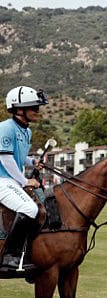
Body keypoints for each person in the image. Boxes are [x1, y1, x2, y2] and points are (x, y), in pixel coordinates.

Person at [0, 86, 47, 271]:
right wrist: (24, 181)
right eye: (33, 107)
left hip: (11, 180)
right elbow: (5, 157)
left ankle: (32, 253)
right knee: (29, 208)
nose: (37, 111)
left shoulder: (26, 131)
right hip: (3, 180)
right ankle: (10, 257)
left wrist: (32, 161)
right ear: (18, 109)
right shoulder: (5, 127)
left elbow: (18, 156)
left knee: (43, 204)